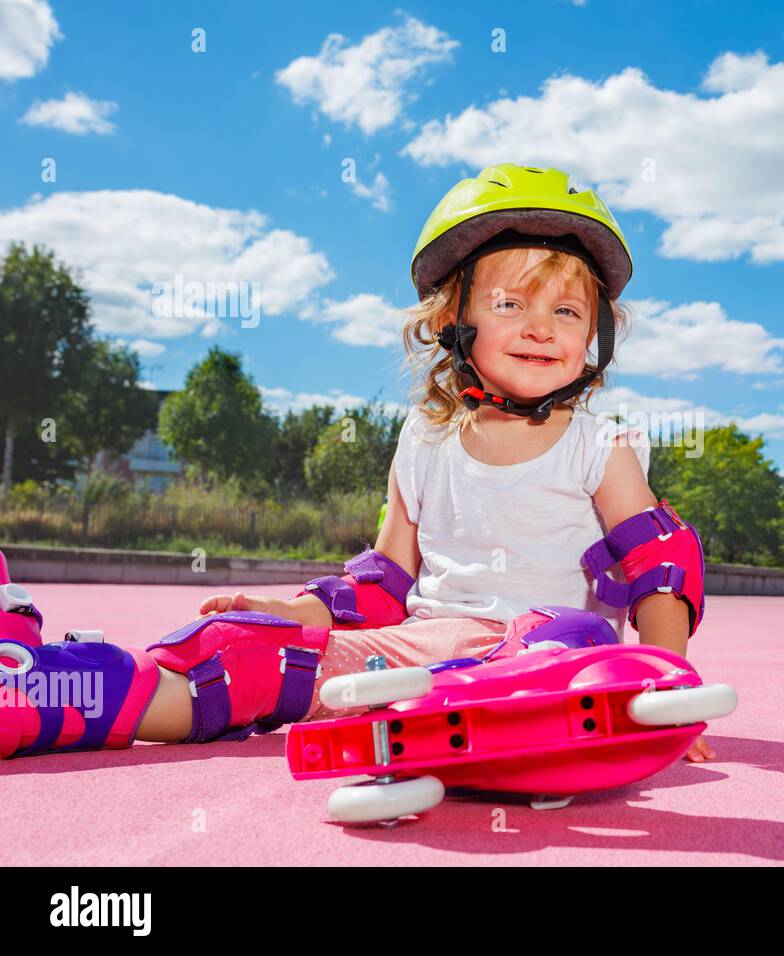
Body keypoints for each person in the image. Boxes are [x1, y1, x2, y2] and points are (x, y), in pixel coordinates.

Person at [0, 163, 713, 763]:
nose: (541, 327)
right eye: (510, 302)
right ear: (449, 320)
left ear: (596, 334)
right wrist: (290, 613)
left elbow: (660, 566)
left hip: (541, 657)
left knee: (573, 642)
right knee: (242, 654)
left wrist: (667, 685)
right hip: (418, 650)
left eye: (567, 311)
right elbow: (380, 584)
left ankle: (468, 719)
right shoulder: (424, 441)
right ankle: (43, 688)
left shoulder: (601, 444)